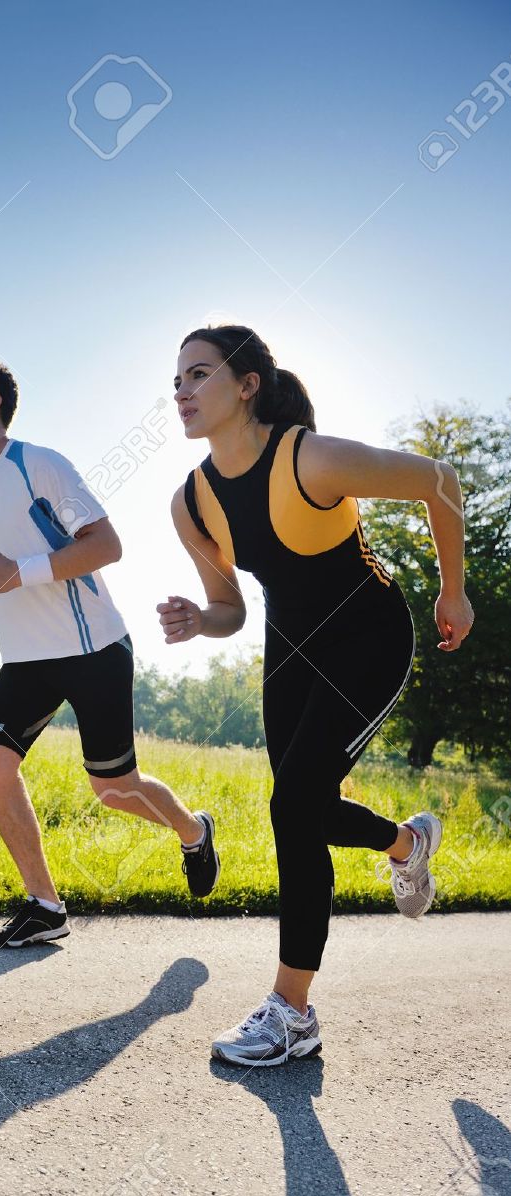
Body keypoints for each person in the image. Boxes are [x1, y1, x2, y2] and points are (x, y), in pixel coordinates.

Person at [159, 325, 474, 1066]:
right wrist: (199, 621)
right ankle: (408, 842)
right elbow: (230, 607)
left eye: (198, 375)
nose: (181, 392)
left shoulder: (308, 457)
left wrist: (454, 592)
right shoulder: (192, 502)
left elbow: (441, 480)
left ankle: (292, 1010)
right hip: (290, 653)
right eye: (175, 380)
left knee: (292, 803)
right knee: (300, 808)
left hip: (369, 636)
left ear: (246, 387)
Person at [0, 356, 220, 949]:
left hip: (92, 646)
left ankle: (193, 831)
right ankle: (45, 906)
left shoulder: (39, 466)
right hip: (27, 659)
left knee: (113, 788)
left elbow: (106, 545)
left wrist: (21, 573)